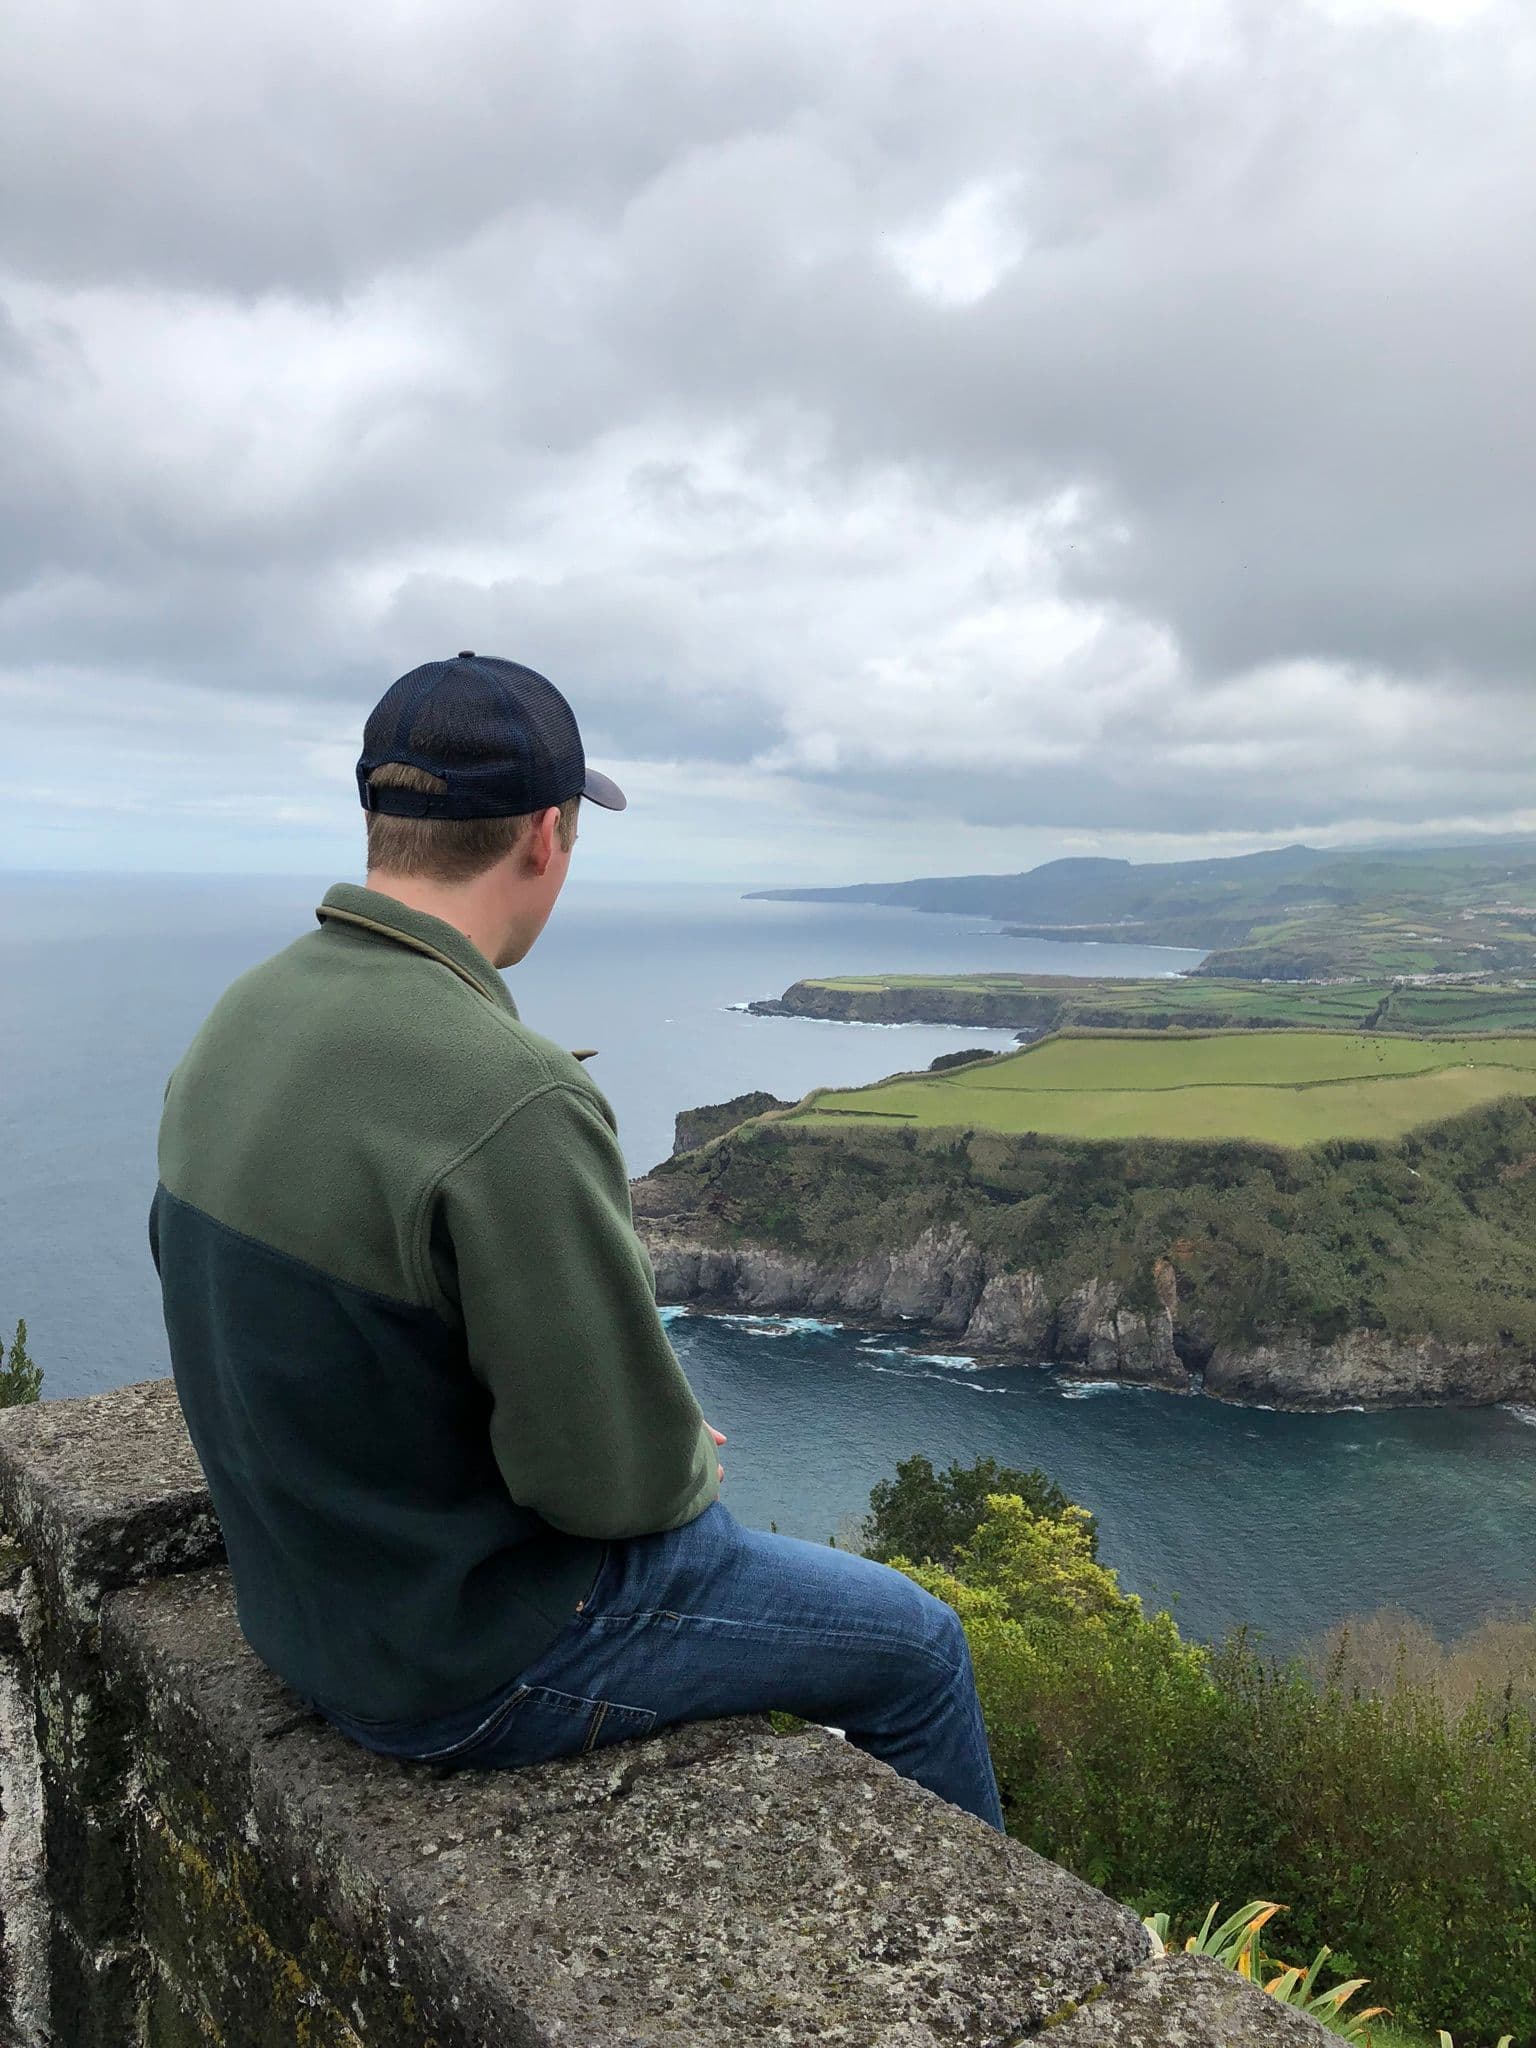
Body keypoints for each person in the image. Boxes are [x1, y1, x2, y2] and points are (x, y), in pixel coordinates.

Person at [150, 651, 1004, 1831]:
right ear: (545, 836)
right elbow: (614, 1490)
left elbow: (322, 1344)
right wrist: (663, 1445)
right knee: (919, 1644)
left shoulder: (241, 1017)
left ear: (378, 819)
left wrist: (610, 1399)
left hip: (306, 1615)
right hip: (453, 1668)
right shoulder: (511, 1094)